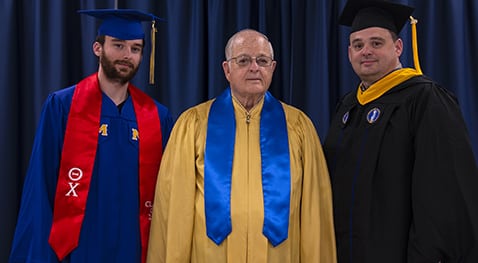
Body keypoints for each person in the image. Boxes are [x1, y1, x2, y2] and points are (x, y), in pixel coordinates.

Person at [146, 29, 337, 263]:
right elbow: (174, 210)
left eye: (262, 61)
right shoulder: (193, 125)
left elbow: (313, 213)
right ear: (227, 69)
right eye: (244, 60)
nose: (254, 67)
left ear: (273, 67)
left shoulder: (298, 127)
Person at [9, 9, 174, 263]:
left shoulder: (157, 116)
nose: (126, 56)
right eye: (118, 45)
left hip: (135, 248)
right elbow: (41, 185)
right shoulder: (63, 106)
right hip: (78, 249)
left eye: (135, 48)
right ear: (98, 48)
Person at [323, 0, 478, 262]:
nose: (366, 51)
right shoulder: (348, 107)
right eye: (358, 45)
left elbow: (444, 195)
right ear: (349, 53)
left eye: (376, 43)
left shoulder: (426, 100)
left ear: (398, 47)